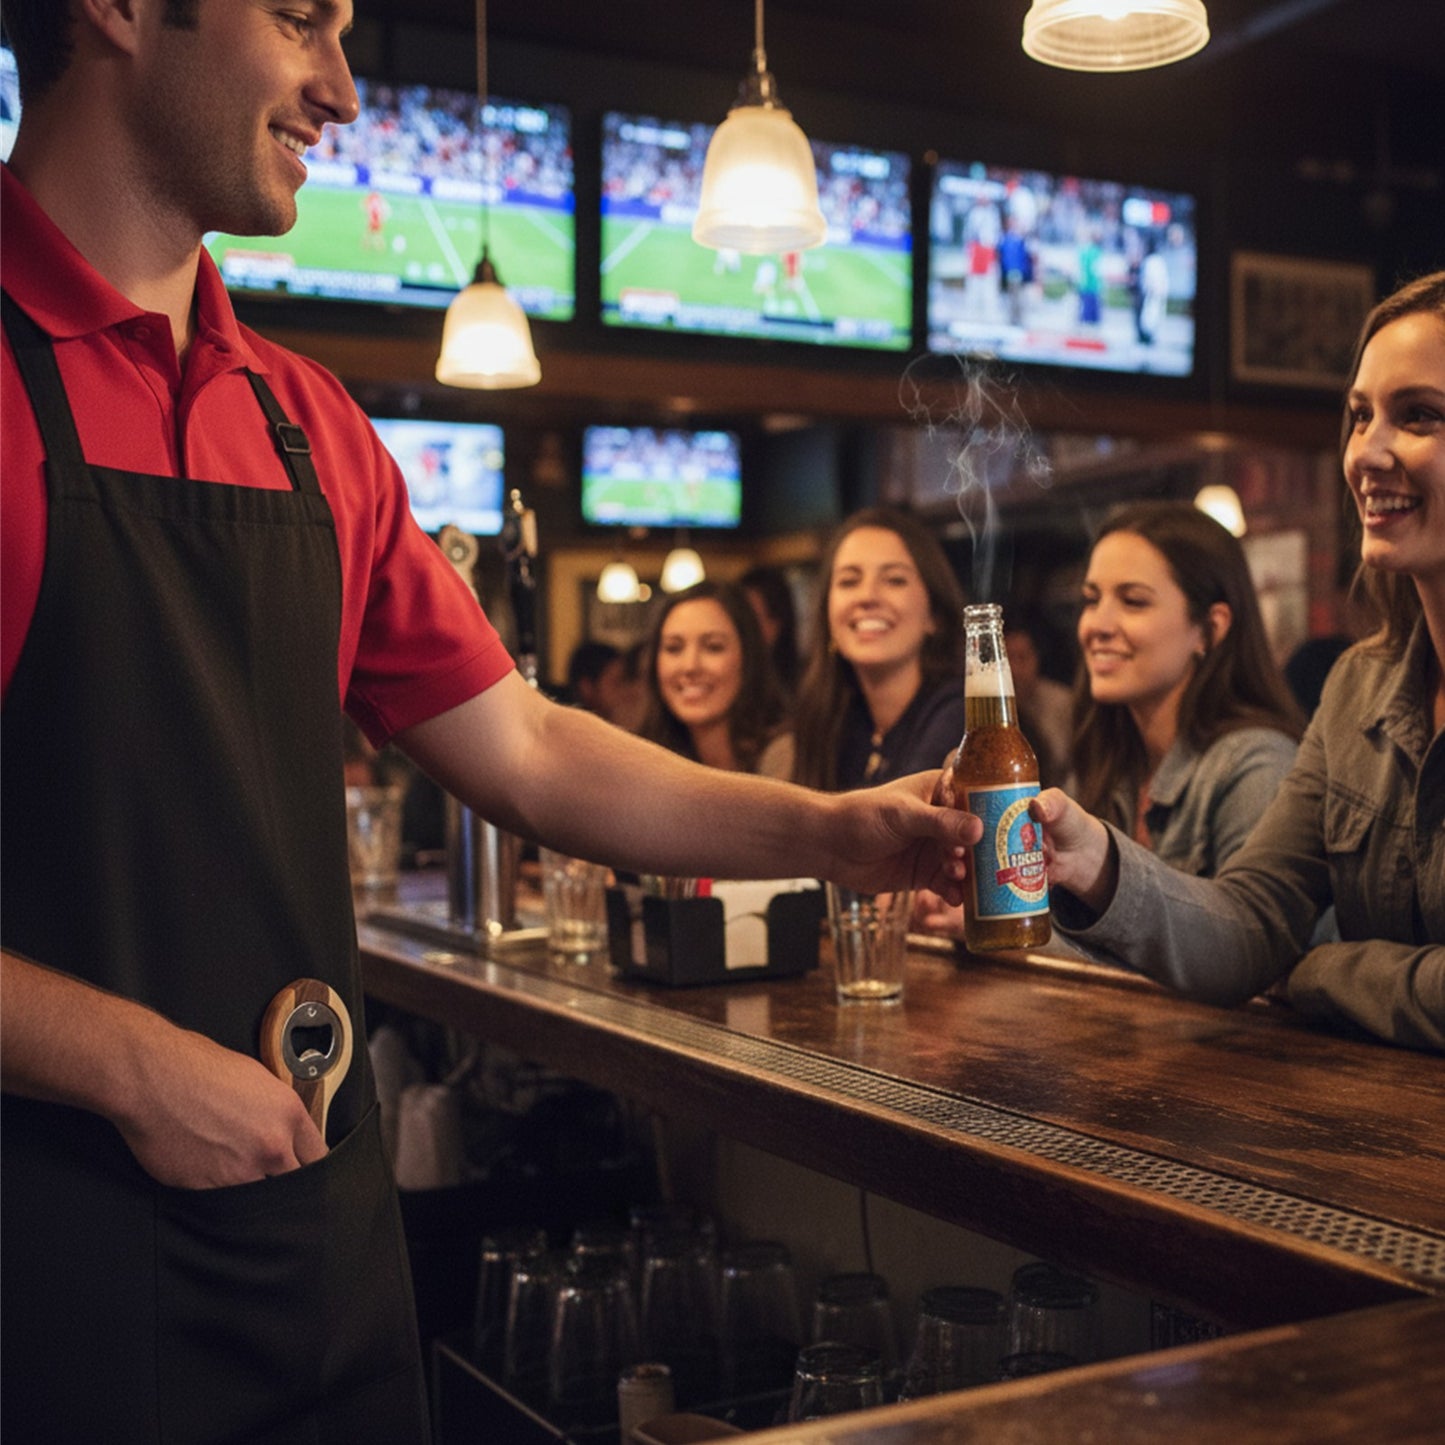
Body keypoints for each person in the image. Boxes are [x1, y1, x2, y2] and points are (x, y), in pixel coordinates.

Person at [0, 6, 979, 1440]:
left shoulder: (305, 421)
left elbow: (524, 745)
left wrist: (829, 833)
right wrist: (133, 1066)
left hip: (315, 1236)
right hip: (51, 1262)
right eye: (299, 18)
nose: (341, 89)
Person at [1032, 272, 1445, 1052]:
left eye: (1417, 414)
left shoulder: (1249, 755)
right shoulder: (1357, 688)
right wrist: (1096, 864)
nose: (1367, 451)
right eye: (1359, 415)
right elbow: (1253, 925)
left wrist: (1327, 973)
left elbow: (1291, 962)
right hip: (1360, 1125)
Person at [1069, 500, 1304, 879]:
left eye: (1133, 601)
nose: (1098, 625)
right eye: (1092, 600)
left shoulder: (1256, 765)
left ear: (1211, 628)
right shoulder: (1108, 758)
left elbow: (1250, 918)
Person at [792, 507, 967, 791]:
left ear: (934, 614)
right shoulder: (830, 716)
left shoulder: (962, 714)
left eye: (894, 580)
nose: (867, 596)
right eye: (849, 581)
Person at [638, 580, 793, 777]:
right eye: (674, 648)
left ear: (748, 657)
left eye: (713, 647)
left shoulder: (785, 756)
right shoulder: (646, 761)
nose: (690, 666)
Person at [739, 561, 804, 697]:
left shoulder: (803, 687)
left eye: (751, 618)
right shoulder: (731, 682)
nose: (740, 627)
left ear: (776, 624)